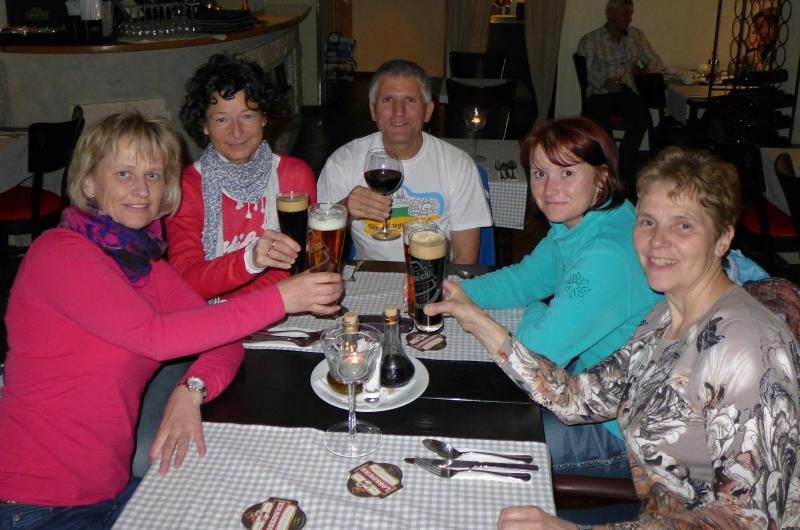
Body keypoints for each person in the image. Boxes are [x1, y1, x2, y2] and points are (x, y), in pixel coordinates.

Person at [0, 112, 342, 529]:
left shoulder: (146, 266)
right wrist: (281, 298)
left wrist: (190, 390)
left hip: (110, 488)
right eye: (124, 173)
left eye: (154, 175)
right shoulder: (60, 253)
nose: (141, 190)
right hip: (32, 501)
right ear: (89, 183)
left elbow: (224, 338)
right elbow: (157, 337)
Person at [427, 146, 800, 528]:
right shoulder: (663, 318)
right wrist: (475, 320)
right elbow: (577, 398)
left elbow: (748, 521)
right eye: (648, 222)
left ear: (722, 239)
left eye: (683, 226)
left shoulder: (746, 349)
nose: (657, 241)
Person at [458, 117, 660, 479]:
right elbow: (526, 279)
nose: (550, 188)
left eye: (567, 173)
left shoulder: (606, 254)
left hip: (620, 432)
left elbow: (533, 357)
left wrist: (540, 307)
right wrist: (452, 290)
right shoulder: (585, 219)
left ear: (601, 177)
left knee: (476, 439)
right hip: (580, 390)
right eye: (540, 173)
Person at [168, 53, 317, 302]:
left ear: (264, 118)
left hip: (277, 307)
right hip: (214, 315)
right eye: (222, 119)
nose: (236, 131)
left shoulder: (294, 175)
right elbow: (185, 282)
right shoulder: (185, 187)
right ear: (204, 125)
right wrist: (249, 260)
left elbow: (300, 261)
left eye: (247, 116)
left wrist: (246, 304)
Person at [317, 59, 492, 264]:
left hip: (436, 276)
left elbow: (465, 257)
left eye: (410, 100)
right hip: (369, 276)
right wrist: (345, 209)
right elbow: (321, 251)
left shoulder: (458, 165)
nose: (398, 111)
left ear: (428, 111)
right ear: (373, 110)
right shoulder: (342, 162)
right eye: (388, 100)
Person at [577, 0, 662, 189]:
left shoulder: (636, 36)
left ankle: (620, 167)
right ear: (611, 14)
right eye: (625, 14)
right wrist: (605, 82)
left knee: (641, 119)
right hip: (600, 92)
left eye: (630, 13)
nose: (629, 18)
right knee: (598, 122)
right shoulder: (590, 40)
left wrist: (643, 71)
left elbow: (655, 61)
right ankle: (606, 164)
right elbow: (587, 71)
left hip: (626, 90)